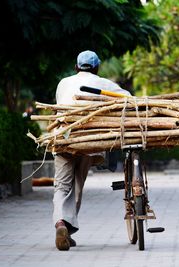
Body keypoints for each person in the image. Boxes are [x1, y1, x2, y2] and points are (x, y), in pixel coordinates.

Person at [53, 50, 131, 251]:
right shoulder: (104, 83)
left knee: (61, 186)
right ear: (96, 68)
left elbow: (58, 106)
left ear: (76, 67)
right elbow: (128, 98)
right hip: (88, 141)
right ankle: (67, 230)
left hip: (64, 139)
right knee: (77, 185)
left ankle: (60, 224)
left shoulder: (63, 82)